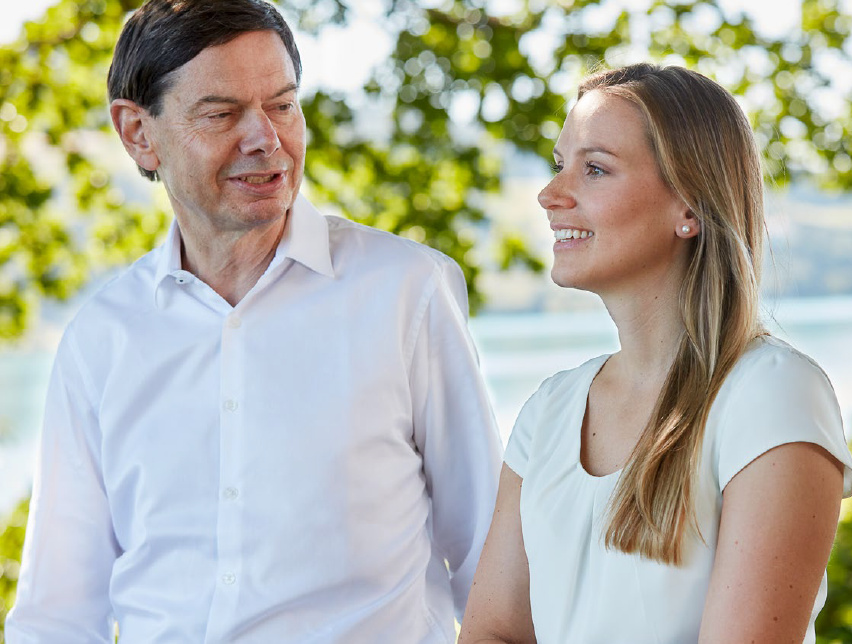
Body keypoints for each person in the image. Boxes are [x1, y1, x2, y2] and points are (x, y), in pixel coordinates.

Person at [6, 0, 502, 641]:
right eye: (221, 114)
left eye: (283, 105)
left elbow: (493, 561)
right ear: (138, 133)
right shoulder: (102, 340)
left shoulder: (407, 290)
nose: (266, 138)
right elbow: (57, 616)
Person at [459, 63, 852, 644]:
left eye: (594, 169)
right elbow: (492, 633)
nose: (550, 195)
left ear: (690, 208)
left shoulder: (772, 395)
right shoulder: (548, 410)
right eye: (558, 165)